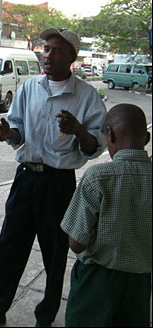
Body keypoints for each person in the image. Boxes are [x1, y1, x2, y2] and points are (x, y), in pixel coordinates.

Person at [0, 28, 107, 327]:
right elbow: (18, 132)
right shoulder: (29, 89)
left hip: (59, 184)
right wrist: (7, 133)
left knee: (54, 254)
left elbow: (94, 148)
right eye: (47, 49)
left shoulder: (86, 96)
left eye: (56, 51)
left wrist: (79, 129)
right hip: (25, 178)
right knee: (9, 245)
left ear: (71, 58)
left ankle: (45, 316)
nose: (48, 55)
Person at [61, 103, 152, 327]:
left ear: (109, 134)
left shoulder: (98, 177)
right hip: (140, 281)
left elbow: (76, 243)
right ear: (147, 138)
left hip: (97, 281)